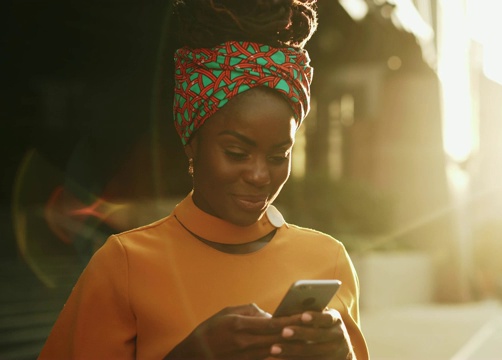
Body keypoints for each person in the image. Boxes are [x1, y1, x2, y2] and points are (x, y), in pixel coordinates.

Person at [38, 0, 369, 359]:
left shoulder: (327, 259)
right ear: (192, 142)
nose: (260, 175)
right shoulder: (124, 265)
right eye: (237, 153)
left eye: (278, 156)